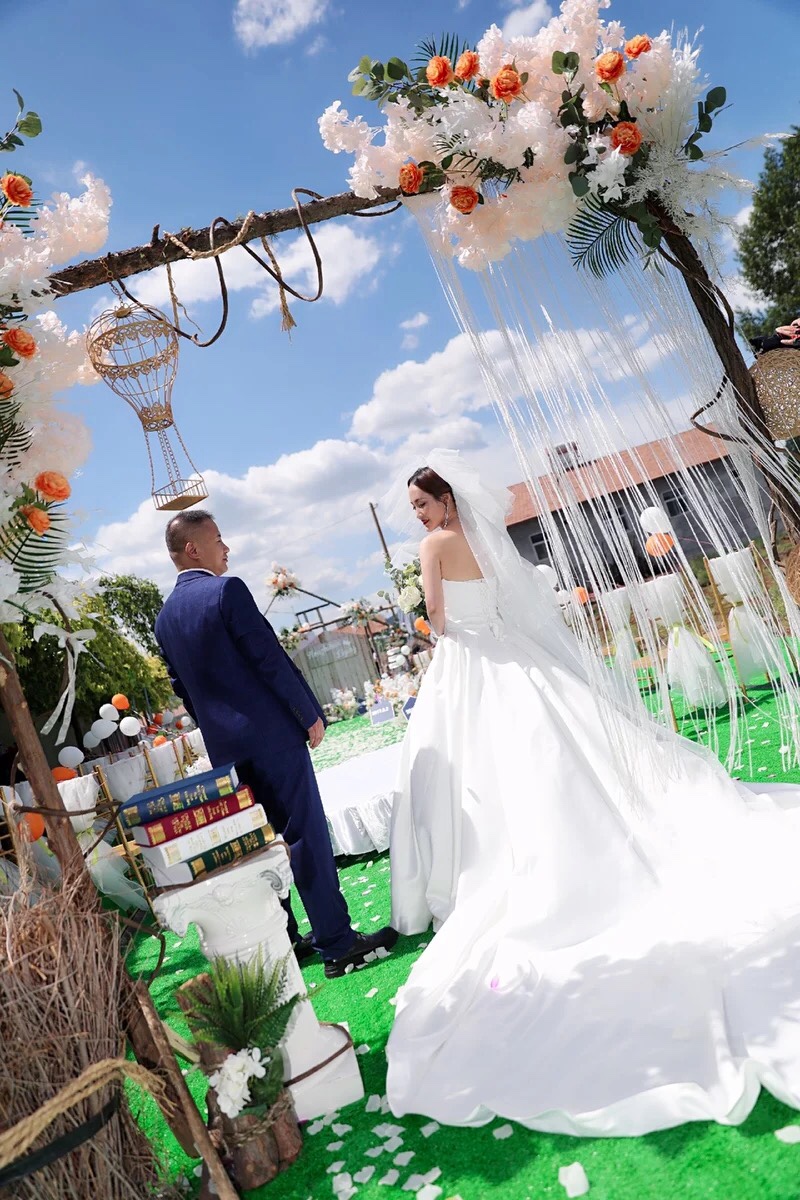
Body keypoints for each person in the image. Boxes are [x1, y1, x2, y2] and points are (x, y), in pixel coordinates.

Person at [386, 449, 800, 1137]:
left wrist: (428, 618)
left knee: (488, 773)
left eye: (423, 505)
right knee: (557, 750)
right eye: (416, 510)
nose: (420, 517)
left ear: (446, 500)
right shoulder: (485, 541)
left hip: (470, 661)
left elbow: (437, 616)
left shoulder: (434, 547)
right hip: (512, 655)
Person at [154, 509, 397, 978]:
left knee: (260, 844)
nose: (227, 548)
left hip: (225, 752)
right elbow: (268, 659)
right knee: (305, 834)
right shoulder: (226, 590)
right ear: (193, 549)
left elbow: (184, 691)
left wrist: (219, 731)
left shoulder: (164, 621)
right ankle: (337, 943)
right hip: (272, 738)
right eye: (218, 539)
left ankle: (285, 939)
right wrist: (307, 714)